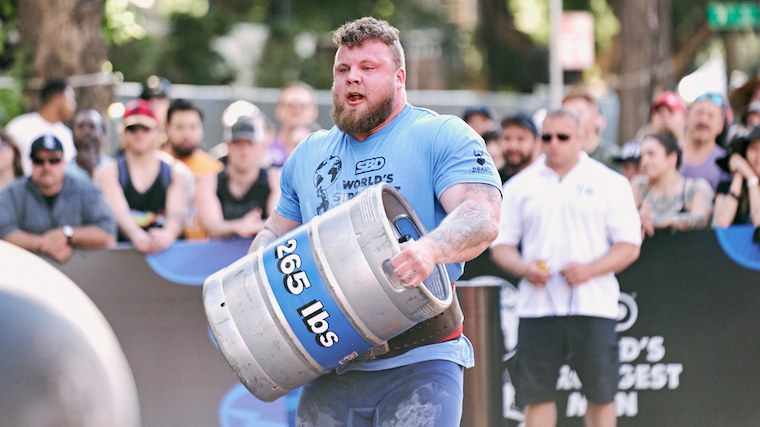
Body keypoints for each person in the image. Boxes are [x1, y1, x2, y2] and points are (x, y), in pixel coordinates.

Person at [247, 17, 501, 426]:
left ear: (399, 77)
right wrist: (255, 266)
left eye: (368, 68)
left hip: (421, 362)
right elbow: (276, 231)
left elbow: (481, 215)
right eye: (343, 70)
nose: (352, 79)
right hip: (331, 368)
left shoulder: (441, 135)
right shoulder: (309, 153)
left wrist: (429, 249)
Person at [490, 109, 641, 427]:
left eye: (563, 137)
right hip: (537, 309)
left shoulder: (610, 182)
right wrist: (524, 267)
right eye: (547, 137)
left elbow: (629, 245)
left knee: (601, 396)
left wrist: (591, 269)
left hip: (594, 306)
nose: (554, 144)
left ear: (580, 138)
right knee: (536, 398)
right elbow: (501, 245)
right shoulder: (519, 186)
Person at [94, 99, 191, 254]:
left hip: (166, 258)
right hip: (122, 260)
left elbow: (177, 214)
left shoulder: (176, 172)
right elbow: (118, 212)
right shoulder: (108, 172)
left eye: (145, 128)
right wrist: (137, 236)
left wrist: (167, 235)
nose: (139, 133)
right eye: (132, 128)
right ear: (123, 133)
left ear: (158, 132)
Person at [0, 135, 116, 263]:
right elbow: (4, 232)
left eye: (54, 160)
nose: (46, 166)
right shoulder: (12, 193)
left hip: (82, 275)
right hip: (25, 275)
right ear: (31, 163)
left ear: (64, 163)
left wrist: (68, 234)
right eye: (39, 160)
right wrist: (44, 244)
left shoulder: (87, 190)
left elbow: (108, 233)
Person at [196, 117, 281, 238]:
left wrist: (251, 226)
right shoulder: (209, 182)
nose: (244, 150)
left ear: (260, 147)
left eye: (250, 144)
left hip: (263, 251)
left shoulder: (274, 179)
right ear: (228, 146)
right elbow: (212, 226)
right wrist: (239, 226)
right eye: (238, 144)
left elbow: (279, 223)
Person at [632, 131, 714, 237]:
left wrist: (667, 220)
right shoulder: (638, 186)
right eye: (641, 156)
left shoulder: (696, 188)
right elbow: (621, 220)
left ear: (672, 158)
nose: (644, 162)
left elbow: (703, 219)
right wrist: (638, 219)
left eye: (651, 154)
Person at [164, 98, 224, 239]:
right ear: (167, 128)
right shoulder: (157, 166)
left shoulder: (215, 170)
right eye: (180, 127)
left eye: (193, 127)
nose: (187, 134)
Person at [6, 78, 78, 175]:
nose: (74, 105)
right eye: (71, 99)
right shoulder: (19, 127)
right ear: (57, 99)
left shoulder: (66, 134)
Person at [680, 92, 732, 191]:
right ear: (686, 117)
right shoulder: (667, 154)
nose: (703, 120)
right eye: (699, 113)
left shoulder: (725, 164)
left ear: (720, 125)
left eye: (711, 116)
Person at [561, 87, 622, 172]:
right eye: (567, 114)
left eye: (578, 113)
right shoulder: (559, 158)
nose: (572, 119)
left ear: (595, 117)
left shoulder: (611, 158)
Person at [713, 127, 760, 227]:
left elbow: (759, 222)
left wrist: (752, 179)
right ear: (744, 153)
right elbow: (721, 223)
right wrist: (739, 176)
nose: (758, 156)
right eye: (753, 148)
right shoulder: (725, 186)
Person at [268, 81, 320, 167]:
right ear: (279, 110)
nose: (296, 110)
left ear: (314, 111)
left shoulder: (324, 151)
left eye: (302, 105)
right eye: (290, 105)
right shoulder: (265, 151)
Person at [498, 113, 542, 183]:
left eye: (521, 139)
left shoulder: (545, 180)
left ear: (537, 143)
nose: (513, 146)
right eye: (507, 138)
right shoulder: (493, 180)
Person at [69, 109, 111, 179]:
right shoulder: (64, 174)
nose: (86, 132)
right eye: (80, 126)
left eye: (92, 126)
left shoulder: (114, 170)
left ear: (103, 134)